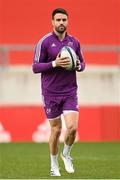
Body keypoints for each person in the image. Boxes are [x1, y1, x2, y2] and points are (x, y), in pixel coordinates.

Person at [32, 8, 85, 176]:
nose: (61, 23)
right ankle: (54, 165)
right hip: (50, 93)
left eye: (64, 20)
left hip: (69, 91)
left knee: (72, 128)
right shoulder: (45, 42)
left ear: (67, 22)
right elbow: (35, 67)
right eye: (58, 20)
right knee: (55, 130)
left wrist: (78, 66)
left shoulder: (74, 42)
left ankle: (66, 154)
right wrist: (54, 63)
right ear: (52, 22)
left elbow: (82, 63)